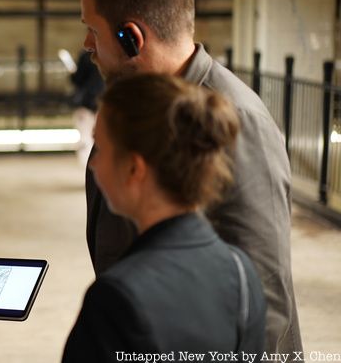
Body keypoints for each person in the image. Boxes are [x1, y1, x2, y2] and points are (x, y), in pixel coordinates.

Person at [73, 0, 301, 353]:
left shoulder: (237, 119)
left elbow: (266, 296)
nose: (87, 46)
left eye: (93, 29)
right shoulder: (138, 109)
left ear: (131, 38)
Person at [63, 74, 266, 360]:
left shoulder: (115, 297)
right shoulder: (241, 271)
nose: (93, 164)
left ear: (135, 169)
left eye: (101, 149)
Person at [68, 49, 104, 165]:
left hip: (86, 103)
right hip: (102, 102)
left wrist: (72, 74)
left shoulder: (85, 56)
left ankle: (87, 166)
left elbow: (77, 80)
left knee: (85, 137)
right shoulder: (108, 55)